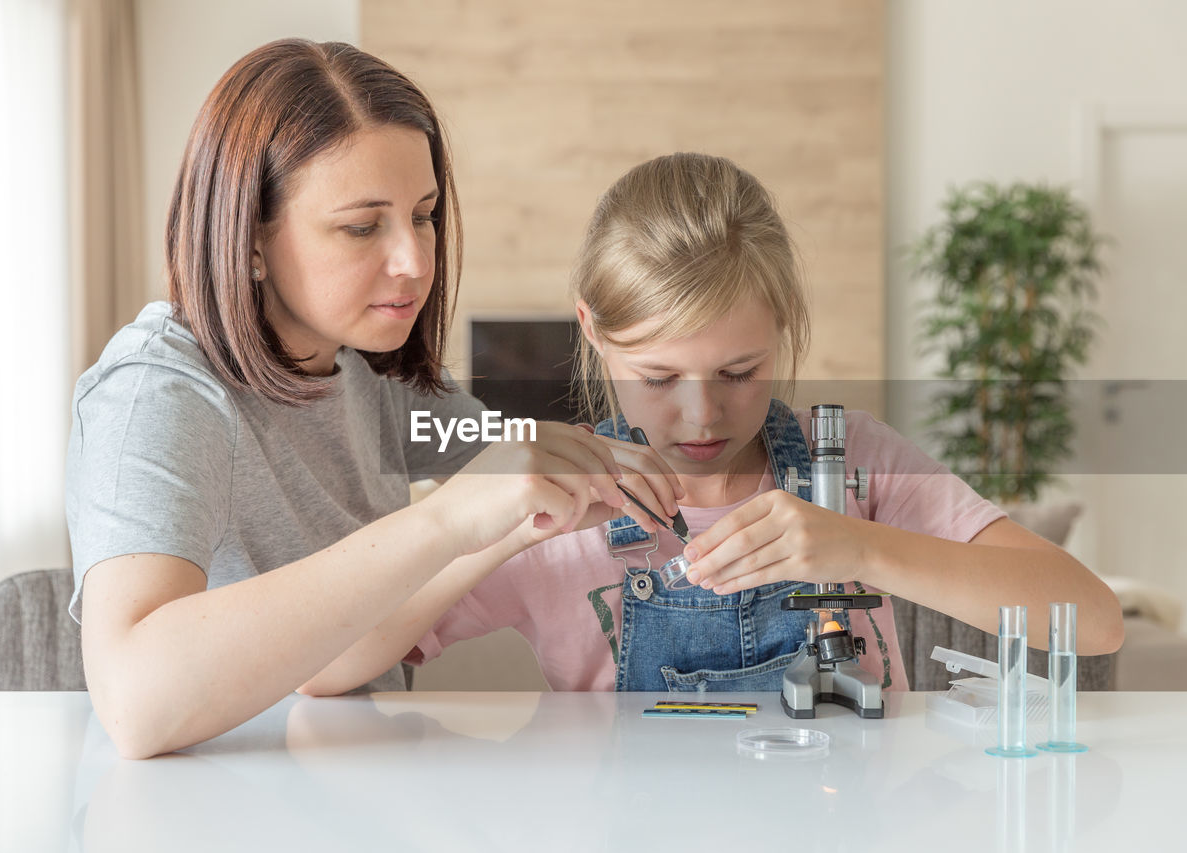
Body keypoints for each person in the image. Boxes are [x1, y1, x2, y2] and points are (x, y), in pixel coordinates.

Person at [66, 39, 680, 759]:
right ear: (251, 239)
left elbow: (521, 454)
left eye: (422, 215)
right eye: (362, 227)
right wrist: (449, 518)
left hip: (356, 780)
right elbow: (136, 701)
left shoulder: (366, 367)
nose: (415, 262)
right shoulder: (159, 394)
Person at [319, 152, 1124, 695]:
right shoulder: (557, 496)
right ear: (591, 330)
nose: (703, 415)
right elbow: (328, 666)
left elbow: (1091, 618)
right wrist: (490, 527)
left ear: (783, 324)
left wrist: (861, 546)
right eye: (660, 377)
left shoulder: (855, 463)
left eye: (739, 372)